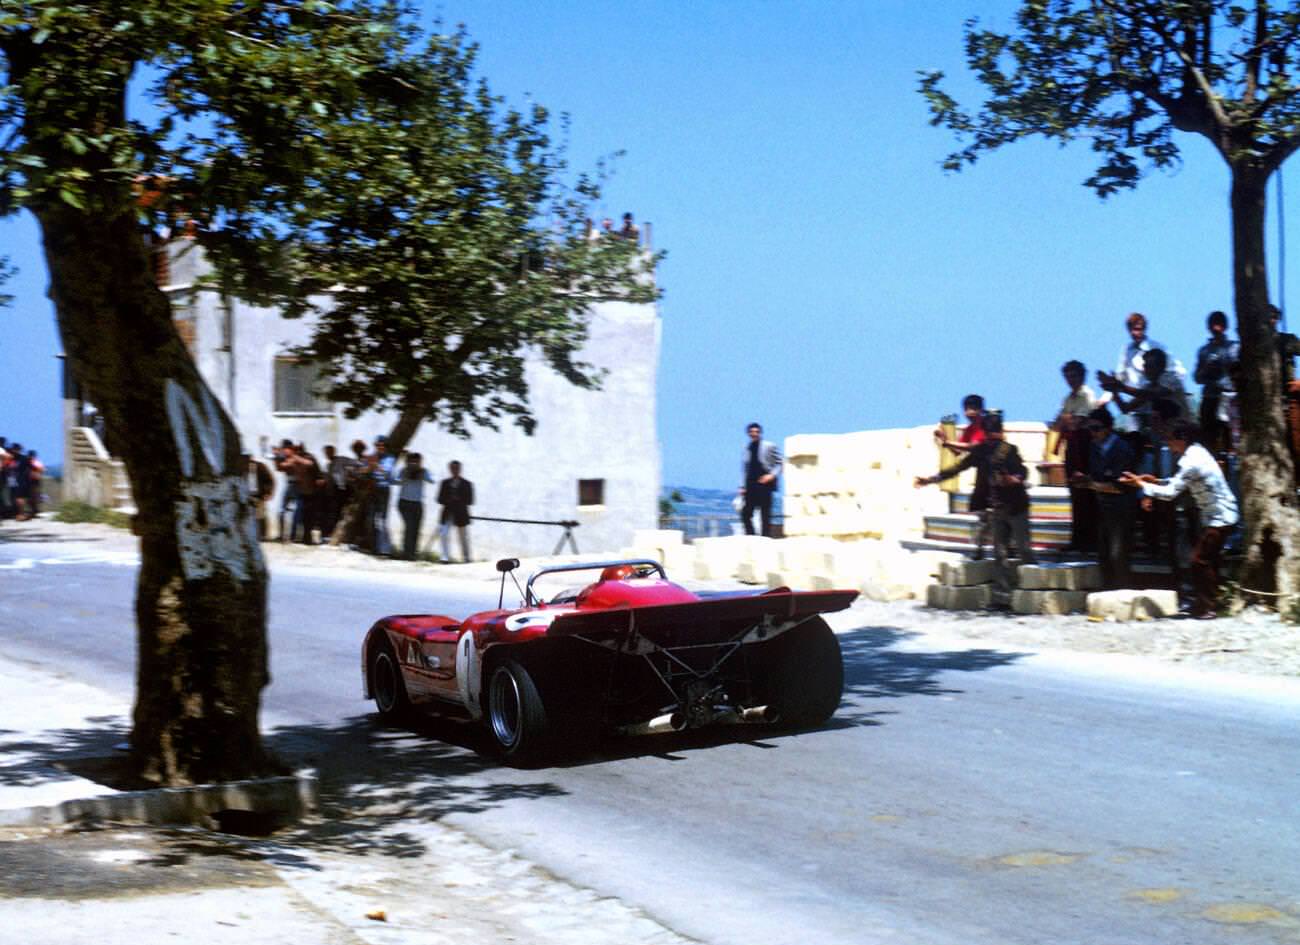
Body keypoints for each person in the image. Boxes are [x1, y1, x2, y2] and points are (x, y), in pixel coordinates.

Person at [1121, 420, 1239, 618]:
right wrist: (1153, 481)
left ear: (1182, 439)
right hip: (1217, 515)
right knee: (1208, 561)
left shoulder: (1191, 461)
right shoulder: (1197, 452)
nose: (1168, 444)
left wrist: (1141, 486)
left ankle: (1208, 606)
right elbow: (1179, 482)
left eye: (1170, 439)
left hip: (1221, 516)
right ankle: (1208, 603)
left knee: (1198, 560)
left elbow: (1170, 493)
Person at [916, 414, 1036, 595]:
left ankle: (1032, 588)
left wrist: (1014, 479)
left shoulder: (1008, 450)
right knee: (1000, 553)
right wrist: (932, 479)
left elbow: (1022, 471)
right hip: (998, 507)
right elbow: (957, 468)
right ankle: (1005, 593)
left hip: (1016, 505)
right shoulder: (983, 451)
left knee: (1022, 550)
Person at [1073, 408, 1138, 590]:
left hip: (1121, 508)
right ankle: (1108, 592)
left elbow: (1120, 487)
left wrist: (1090, 484)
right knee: (1103, 553)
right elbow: (1097, 477)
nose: (1092, 433)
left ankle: (1123, 593)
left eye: (1096, 428)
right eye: (1090, 429)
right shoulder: (1094, 447)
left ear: (1109, 428)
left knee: (1118, 554)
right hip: (1103, 507)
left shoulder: (1122, 450)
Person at [1099, 312, 1185, 431]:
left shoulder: (1169, 378)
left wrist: (1122, 387)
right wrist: (1114, 391)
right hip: (1152, 424)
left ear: (1158, 366)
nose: (1144, 370)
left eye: (1148, 366)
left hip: (1180, 431)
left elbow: (1152, 394)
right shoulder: (1127, 351)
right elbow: (1125, 408)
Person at [934, 394, 992, 557]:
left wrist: (948, 443)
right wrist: (945, 440)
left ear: (980, 410)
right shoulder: (970, 429)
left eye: (972, 409)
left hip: (993, 473)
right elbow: (959, 451)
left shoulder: (986, 425)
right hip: (982, 473)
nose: (969, 413)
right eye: (966, 409)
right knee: (982, 512)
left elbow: (973, 447)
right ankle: (981, 547)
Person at [1053, 361, 1098, 552]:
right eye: (1068, 377)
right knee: (1075, 495)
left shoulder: (1087, 395)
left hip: (1084, 448)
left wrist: (1067, 421)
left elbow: (1076, 423)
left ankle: (1090, 540)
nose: (1071, 380)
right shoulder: (1068, 399)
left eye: (1075, 376)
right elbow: (1058, 424)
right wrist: (1067, 421)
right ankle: (1078, 539)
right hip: (1072, 448)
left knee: (1087, 494)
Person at [1193, 310, 1239, 458]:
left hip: (1229, 398)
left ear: (1225, 326)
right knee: (1208, 439)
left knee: (1231, 439)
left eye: (1219, 324)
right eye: (1213, 324)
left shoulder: (1234, 348)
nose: (1216, 328)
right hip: (1210, 398)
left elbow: (1239, 371)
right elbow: (1197, 378)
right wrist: (1207, 367)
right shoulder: (1204, 351)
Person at [739, 422, 782, 537]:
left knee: (765, 513)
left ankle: (765, 538)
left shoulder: (769, 445)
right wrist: (742, 486)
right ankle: (751, 536)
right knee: (745, 513)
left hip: (765, 483)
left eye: (757, 432)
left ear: (760, 433)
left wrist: (771, 475)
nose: (754, 434)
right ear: (748, 433)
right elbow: (744, 468)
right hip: (750, 484)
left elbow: (780, 463)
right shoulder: (746, 448)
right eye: (752, 432)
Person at [396, 452, 433, 560]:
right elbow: (396, 481)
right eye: (412, 461)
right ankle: (406, 553)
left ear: (420, 462)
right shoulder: (404, 471)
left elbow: (432, 480)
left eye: (417, 461)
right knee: (409, 527)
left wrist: (423, 475)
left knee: (416, 529)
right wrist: (404, 477)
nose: (414, 463)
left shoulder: (423, 471)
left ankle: (412, 553)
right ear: (409, 461)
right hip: (404, 503)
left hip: (417, 504)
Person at [436, 460, 475, 563]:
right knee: (443, 534)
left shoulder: (467, 484)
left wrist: (459, 499)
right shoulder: (444, 483)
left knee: (463, 537)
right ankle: (445, 557)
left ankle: (466, 557)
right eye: (453, 468)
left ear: (460, 469)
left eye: (456, 468)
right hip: (447, 513)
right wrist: (449, 499)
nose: (455, 470)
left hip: (461, 513)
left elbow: (470, 500)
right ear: (450, 469)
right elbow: (439, 499)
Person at [369, 435, 397, 555]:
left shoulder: (389, 458)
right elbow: (366, 469)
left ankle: (386, 549)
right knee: (371, 519)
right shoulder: (373, 457)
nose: (379, 447)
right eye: (377, 445)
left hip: (383, 489)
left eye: (381, 445)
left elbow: (387, 472)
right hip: (373, 489)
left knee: (383, 520)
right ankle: (374, 547)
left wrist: (376, 466)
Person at [243, 453, 274, 540]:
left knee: (260, 516)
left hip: (259, 495)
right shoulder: (241, 468)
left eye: (247, 458)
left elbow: (270, 480)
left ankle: (263, 535)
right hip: (247, 496)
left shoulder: (260, 466)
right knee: (248, 516)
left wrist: (268, 492)